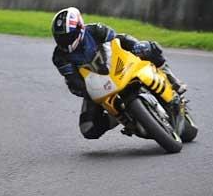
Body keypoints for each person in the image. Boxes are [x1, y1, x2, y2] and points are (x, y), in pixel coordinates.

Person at [51, 7, 186, 139]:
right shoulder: (59, 57)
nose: (65, 41)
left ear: (80, 27)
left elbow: (114, 43)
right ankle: (123, 118)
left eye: (69, 36)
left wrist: (134, 48)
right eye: (61, 38)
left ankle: (173, 81)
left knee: (151, 48)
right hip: (94, 85)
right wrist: (85, 91)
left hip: (116, 64)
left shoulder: (95, 29)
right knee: (88, 128)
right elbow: (73, 79)